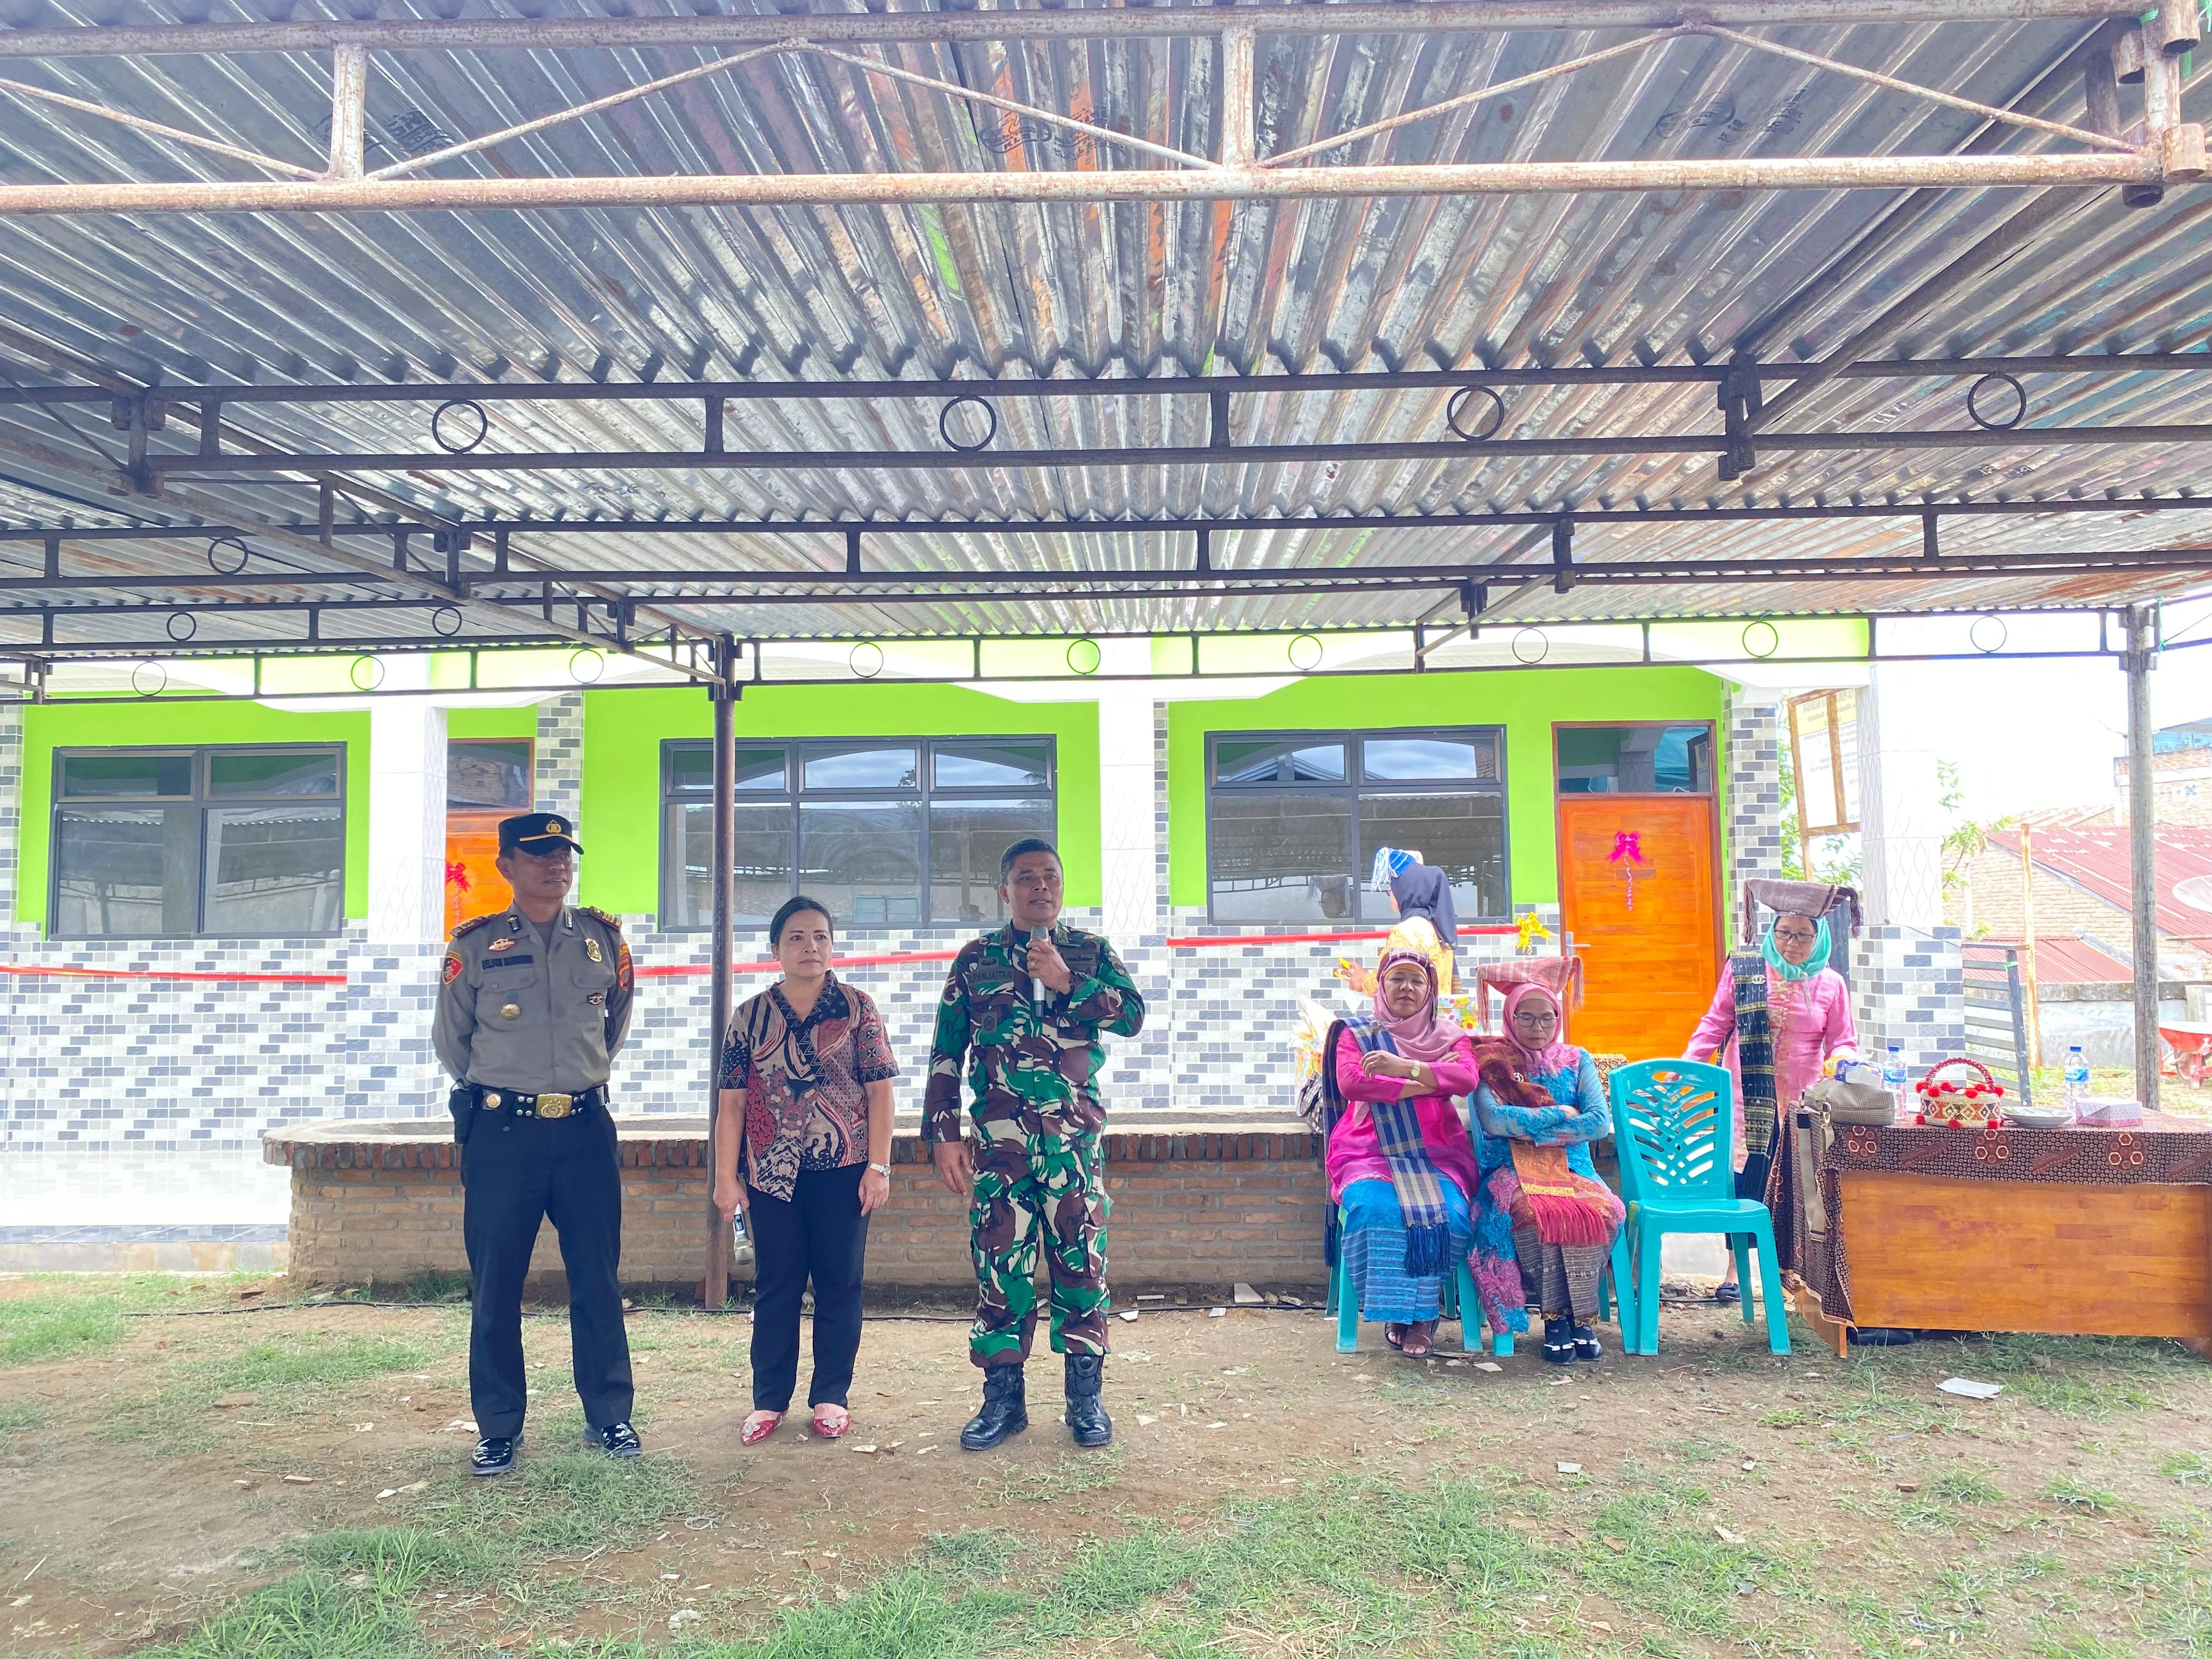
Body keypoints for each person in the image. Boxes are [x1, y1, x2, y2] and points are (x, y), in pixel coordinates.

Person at [434, 811, 640, 1477]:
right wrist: (513, 1088)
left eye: (564, 853)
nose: (557, 864)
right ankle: (498, 1426)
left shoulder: (604, 941)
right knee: (497, 1284)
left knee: (597, 1279)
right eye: (540, 854)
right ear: (507, 867)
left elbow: (612, 1028)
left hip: (583, 1130)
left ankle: (610, 1415)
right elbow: (453, 1042)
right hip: (503, 1133)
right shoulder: (474, 945)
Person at [924, 837, 1146, 1452]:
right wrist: (943, 1136)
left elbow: (1132, 1016)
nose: (1040, 886)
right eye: (1026, 877)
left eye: (1050, 876)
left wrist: (1069, 981)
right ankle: (1002, 1404)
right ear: (1005, 891)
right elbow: (947, 1053)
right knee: (1002, 1271)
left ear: (1063, 887)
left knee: (1081, 1266)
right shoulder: (975, 961)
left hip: (1072, 1145)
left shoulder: (1090, 951)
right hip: (999, 1149)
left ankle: (1085, 1402)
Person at [713, 896, 897, 1447]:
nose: (809, 946)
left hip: (844, 1170)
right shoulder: (749, 1017)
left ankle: (831, 1397)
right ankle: (769, 1400)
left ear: (832, 945)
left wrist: (879, 1167)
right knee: (777, 1285)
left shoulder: (858, 1008)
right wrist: (727, 1176)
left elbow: (881, 1095)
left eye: (819, 936)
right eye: (795, 937)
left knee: (841, 1283)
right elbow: (732, 1106)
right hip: (771, 1173)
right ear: (775, 950)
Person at [1684, 879, 1861, 1302]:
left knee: (1799, 1185)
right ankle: (1733, 1272)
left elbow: (1843, 1042)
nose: (1792, 943)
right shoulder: (1744, 968)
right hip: (1746, 1097)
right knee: (1747, 1180)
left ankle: (1793, 1274)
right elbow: (1715, 1023)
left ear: (1819, 938)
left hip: (1802, 1100)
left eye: (1803, 934)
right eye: (1785, 933)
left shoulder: (1831, 983)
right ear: (1772, 933)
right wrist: (1687, 1066)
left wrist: (1847, 1070)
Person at [1323, 946, 1482, 1358]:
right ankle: (1399, 1312)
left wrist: (1400, 1067)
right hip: (1367, 1151)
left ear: (1431, 990)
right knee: (1373, 1209)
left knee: (1448, 1214)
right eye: (1398, 978)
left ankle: (1423, 1315)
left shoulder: (1449, 1034)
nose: (1407, 987)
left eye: (1418, 980)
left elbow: (1465, 1078)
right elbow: (1353, 1084)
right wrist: (1428, 1080)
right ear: (1381, 984)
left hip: (1438, 1153)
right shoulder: (1355, 1032)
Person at [1471, 984, 1626, 1364]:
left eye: (1547, 1016)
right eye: (1526, 1016)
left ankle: (1579, 1320)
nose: (1537, 1026)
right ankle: (1554, 1320)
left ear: (1558, 1018)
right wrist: (1562, 1113)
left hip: (1573, 1168)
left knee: (1601, 1211)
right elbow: (1493, 1120)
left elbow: (1598, 1123)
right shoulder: (1492, 1060)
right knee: (1532, 1213)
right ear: (1510, 1018)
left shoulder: (1576, 1059)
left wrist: (1529, 1130)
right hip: (1510, 1169)